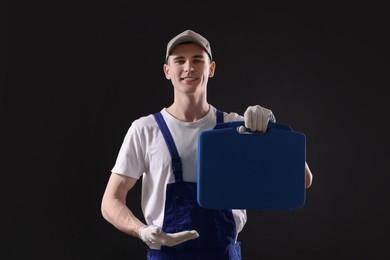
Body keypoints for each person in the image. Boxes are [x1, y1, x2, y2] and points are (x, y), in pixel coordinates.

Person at [101, 29, 313, 260]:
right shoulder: (145, 129)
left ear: (211, 68)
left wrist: (272, 134)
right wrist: (141, 231)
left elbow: (303, 180)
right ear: (167, 71)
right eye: (179, 60)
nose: (188, 68)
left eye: (197, 60)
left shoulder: (237, 127)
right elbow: (110, 200)